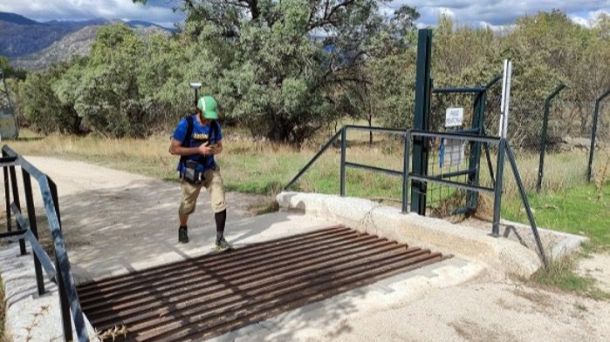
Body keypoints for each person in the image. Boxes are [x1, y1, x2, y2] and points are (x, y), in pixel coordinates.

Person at [169, 95, 232, 251]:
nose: (209, 120)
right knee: (186, 206)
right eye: (206, 116)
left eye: (211, 117)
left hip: (210, 168)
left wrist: (215, 149)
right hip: (191, 170)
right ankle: (183, 227)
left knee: (220, 200)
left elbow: (220, 146)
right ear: (199, 111)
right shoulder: (186, 124)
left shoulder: (215, 125)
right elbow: (173, 149)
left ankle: (220, 238)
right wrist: (198, 150)